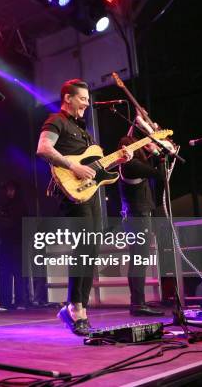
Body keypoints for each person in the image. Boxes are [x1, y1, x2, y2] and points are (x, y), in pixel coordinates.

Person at [36, 79, 132, 336]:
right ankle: (75, 307)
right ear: (68, 98)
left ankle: (78, 306)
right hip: (71, 192)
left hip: (90, 194)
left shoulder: (86, 133)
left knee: (90, 249)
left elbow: (98, 170)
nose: (87, 103)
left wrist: (120, 159)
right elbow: (43, 148)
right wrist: (73, 166)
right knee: (84, 248)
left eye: (88, 99)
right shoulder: (56, 120)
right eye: (83, 98)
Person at [118, 128, 165, 316]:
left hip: (135, 217)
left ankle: (138, 302)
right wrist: (156, 152)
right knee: (139, 261)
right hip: (138, 218)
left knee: (139, 260)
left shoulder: (131, 164)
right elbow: (158, 174)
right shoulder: (131, 165)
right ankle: (137, 304)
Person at [0, 180, 29, 309]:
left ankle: (21, 301)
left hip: (18, 244)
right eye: (7, 190)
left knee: (18, 273)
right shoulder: (6, 205)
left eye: (11, 189)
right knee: (5, 272)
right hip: (6, 243)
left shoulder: (21, 205)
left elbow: (18, 223)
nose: (9, 192)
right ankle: (5, 302)